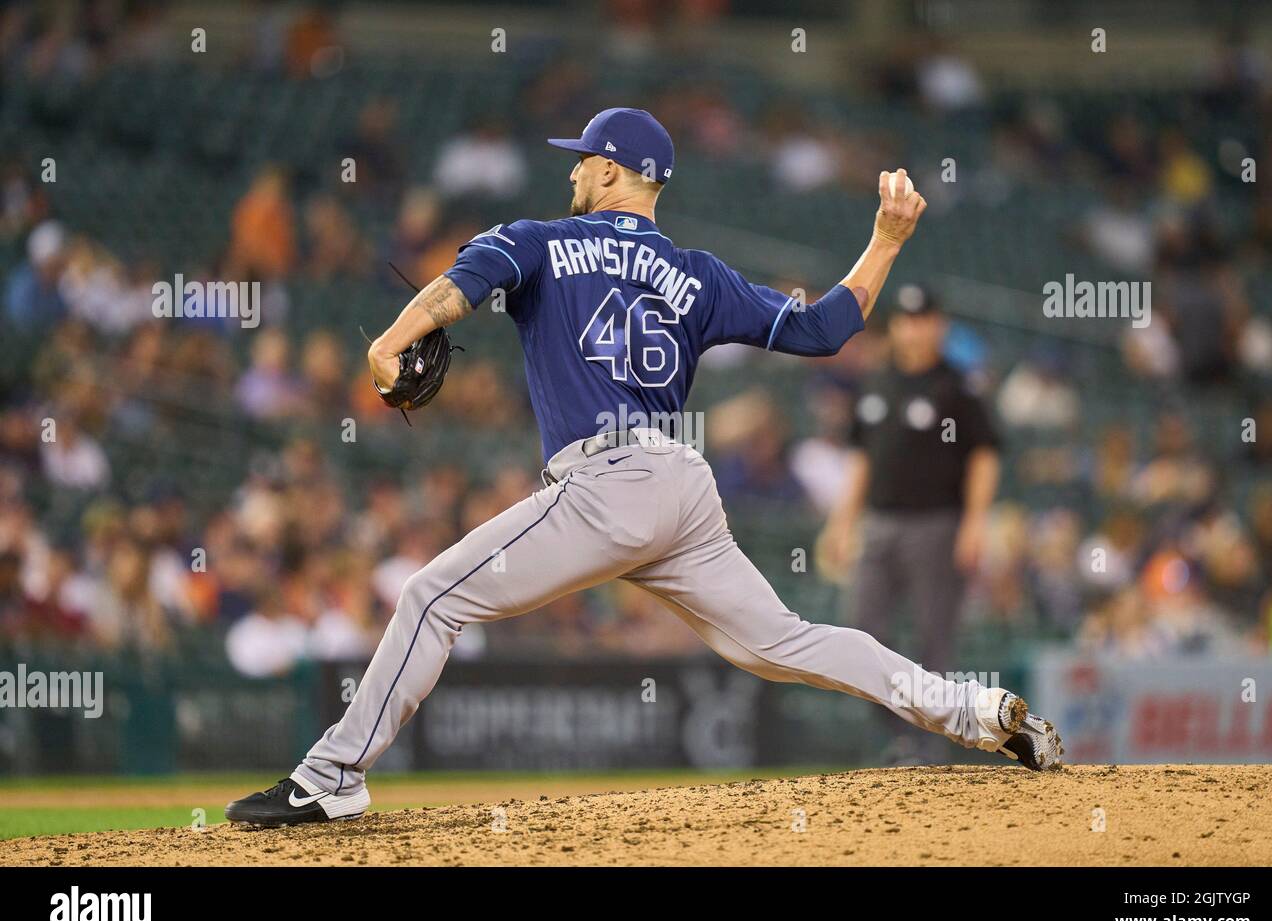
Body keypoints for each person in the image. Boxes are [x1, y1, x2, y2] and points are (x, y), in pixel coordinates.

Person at [226, 108, 1063, 827]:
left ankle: (330, 780)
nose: (576, 170)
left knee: (428, 596)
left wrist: (388, 342)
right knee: (786, 642)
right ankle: (976, 710)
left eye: (584, 158)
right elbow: (825, 329)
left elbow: (463, 283)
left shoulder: (539, 242)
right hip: (681, 488)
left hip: (606, 485)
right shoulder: (697, 274)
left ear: (614, 169)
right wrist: (883, 241)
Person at [818, 285, 1001, 675]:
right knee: (861, 626)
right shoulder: (877, 382)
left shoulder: (958, 386)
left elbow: (984, 456)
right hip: (881, 522)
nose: (914, 331)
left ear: (940, 327)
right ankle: (901, 727)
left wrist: (974, 523)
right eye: (906, 321)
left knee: (934, 636)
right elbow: (862, 458)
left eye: (923, 321)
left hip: (936, 524)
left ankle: (929, 736)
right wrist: (841, 523)